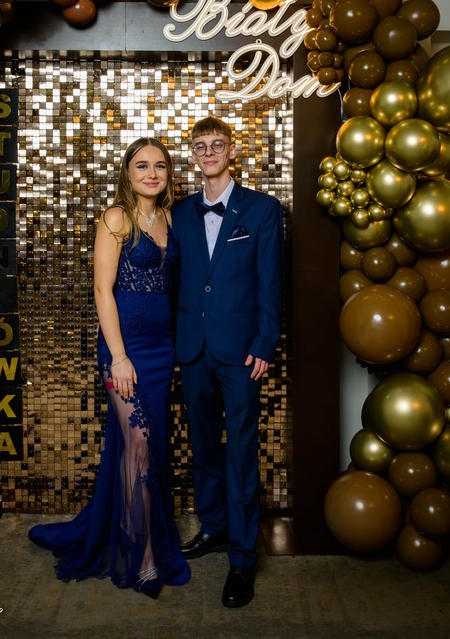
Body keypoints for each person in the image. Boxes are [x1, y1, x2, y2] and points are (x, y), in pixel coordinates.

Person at [28, 137, 191, 600]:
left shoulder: (170, 218)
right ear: (127, 172)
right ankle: (143, 558)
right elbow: (103, 290)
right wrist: (118, 356)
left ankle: (132, 528)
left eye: (160, 166)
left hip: (162, 348)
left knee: (148, 446)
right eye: (142, 166)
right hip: (124, 348)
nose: (152, 174)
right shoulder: (116, 218)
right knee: (138, 443)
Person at [171, 115, 285, 609]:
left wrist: (265, 342)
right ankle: (214, 527)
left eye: (217, 144)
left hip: (242, 352)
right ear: (193, 154)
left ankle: (242, 557)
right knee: (202, 446)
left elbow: (270, 281)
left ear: (232, 150)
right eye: (201, 146)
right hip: (193, 348)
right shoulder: (179, 212)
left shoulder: (262, 209)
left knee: (239, 452)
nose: (209, 152)